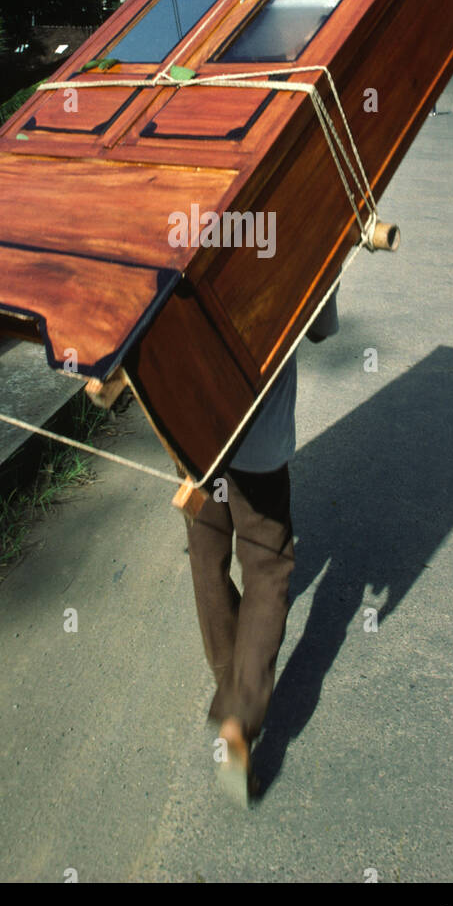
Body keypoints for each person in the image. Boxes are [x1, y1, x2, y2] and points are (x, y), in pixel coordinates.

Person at [184, 288, 339, 806]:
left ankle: (232, 684)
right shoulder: (300, 218)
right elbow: (319, 329)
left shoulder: (179, 213)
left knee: (207, 557)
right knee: (268, 567)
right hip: (260, 443)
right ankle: (240, 713)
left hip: (189, 426)